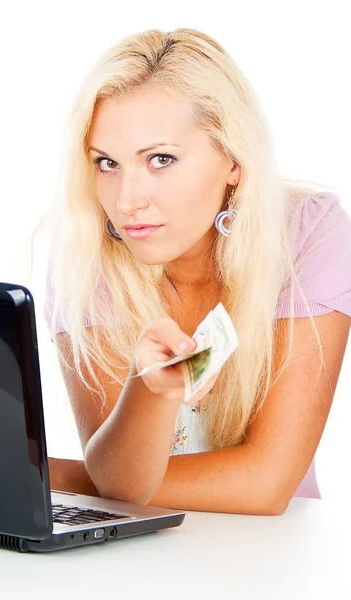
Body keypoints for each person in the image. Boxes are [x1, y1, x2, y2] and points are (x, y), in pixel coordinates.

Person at [31, 27, 351, 515]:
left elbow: (265, 486)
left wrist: (61, 476)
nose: (127, 200)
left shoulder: (311, 236)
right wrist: (148, 388)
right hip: (141, 561)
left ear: (233, 160)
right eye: (107, 163)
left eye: (161, 159)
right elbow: (120, 481)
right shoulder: (83, 253)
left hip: (277, 563)